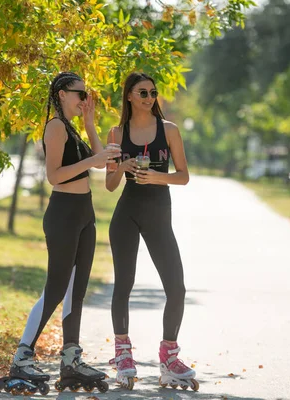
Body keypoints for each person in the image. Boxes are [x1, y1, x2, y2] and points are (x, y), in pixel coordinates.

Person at [0, 72, 120, 395]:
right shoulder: (55, 127)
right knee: (56, 288)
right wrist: (93, 158)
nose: (84, 99)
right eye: (80, 94)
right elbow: (54, 175)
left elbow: (100, 161)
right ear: (63, 93)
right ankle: (22, 357)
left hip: (84, 214)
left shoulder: (73, 127)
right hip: (63, 214)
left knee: (77, 291)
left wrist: (90, 121)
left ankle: (70, 358)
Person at [105, 72, 198, 391]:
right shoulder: (116, 132)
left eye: (152, 92)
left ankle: (169, 357)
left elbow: (184, 176)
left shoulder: (169, 130)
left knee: (177, 287)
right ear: (129, 96)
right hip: (127, 213)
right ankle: (123, 355)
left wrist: (157, 177)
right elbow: (109, 184)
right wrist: (122, 166)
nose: (149, 97)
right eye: (142, 92)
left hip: (159, 213)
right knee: (123, 285)